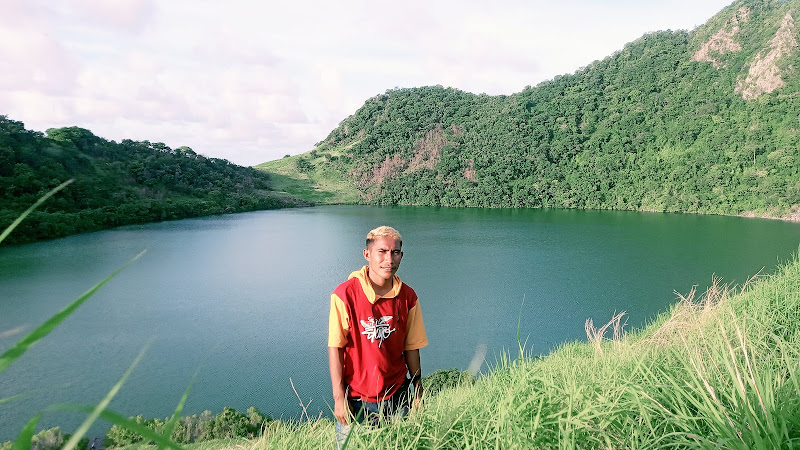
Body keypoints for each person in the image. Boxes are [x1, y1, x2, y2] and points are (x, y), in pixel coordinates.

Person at [328, 225, 428, 446]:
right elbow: (336, 347)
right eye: (381, 252)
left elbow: (412, 347)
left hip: (398, 397)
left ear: (401, 255)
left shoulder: (408, 297)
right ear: (367, 254)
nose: (389, 260)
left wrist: (418, 390)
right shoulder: (344, 295)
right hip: (357, 400)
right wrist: (338, 398)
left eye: (395, 253)